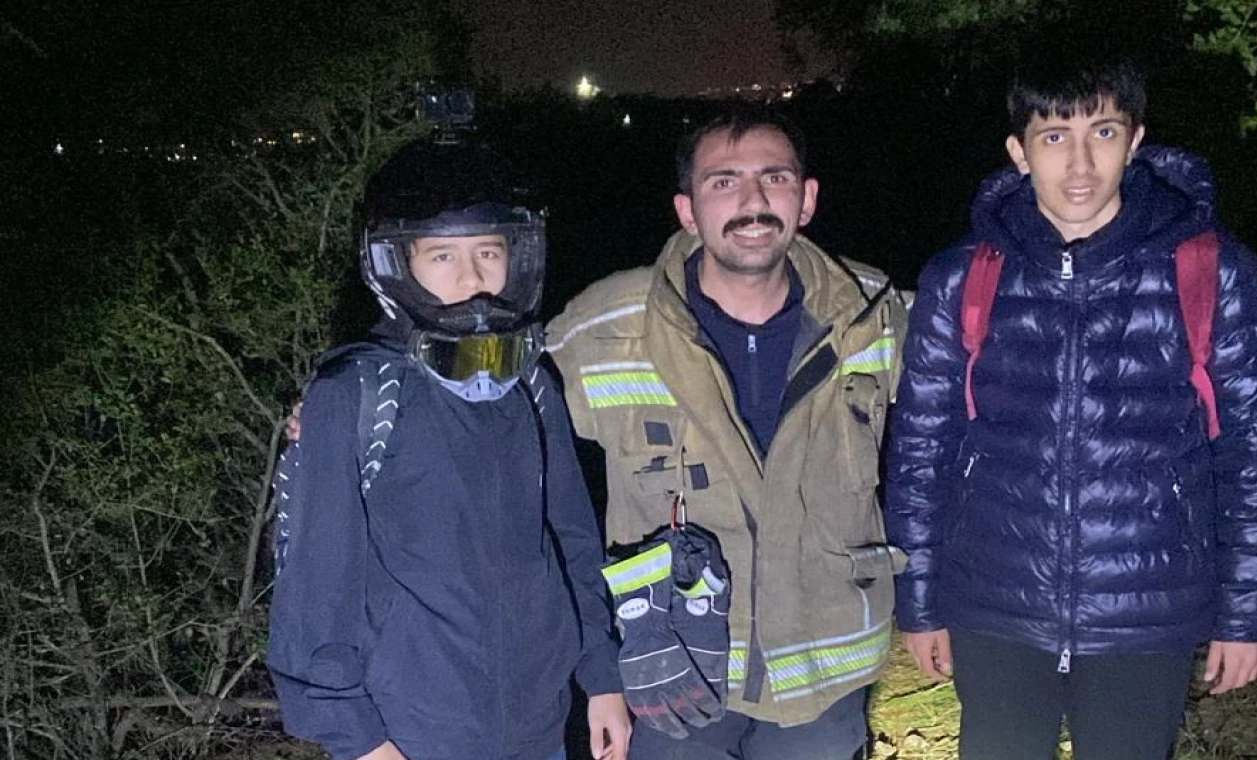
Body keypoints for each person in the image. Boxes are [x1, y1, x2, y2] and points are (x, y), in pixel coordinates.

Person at [885, 53, 1257, 760]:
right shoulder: (961, 276)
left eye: (1102, 132)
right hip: (994, 605)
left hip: (1147, 612)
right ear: (1019, 151)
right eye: (1053, 136)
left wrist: (1247, 613)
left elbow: (1255, 453)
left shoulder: (1212, 270)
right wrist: (917, 600)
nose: (1079, 163)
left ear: (1135, 141)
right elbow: (920, 449)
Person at [545, 105, 909, 760]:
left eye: (775, 178)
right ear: (687, 211)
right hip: (675, 671)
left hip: (825, 679)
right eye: (724, 181)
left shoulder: (876, 314)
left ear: (806, 200)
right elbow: (516, 463)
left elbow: (975, 412)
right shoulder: (600, 329)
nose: (752, 200)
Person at [266, 136, 631, 760]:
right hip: (410, 734)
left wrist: (602, 676)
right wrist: (357, 737)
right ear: (396, 264)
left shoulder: (531, 383)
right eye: (442, 255)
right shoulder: (355, 393)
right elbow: (315, 584)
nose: (471, 277)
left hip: (539, 723)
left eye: (488, 251)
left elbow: (572, 536)